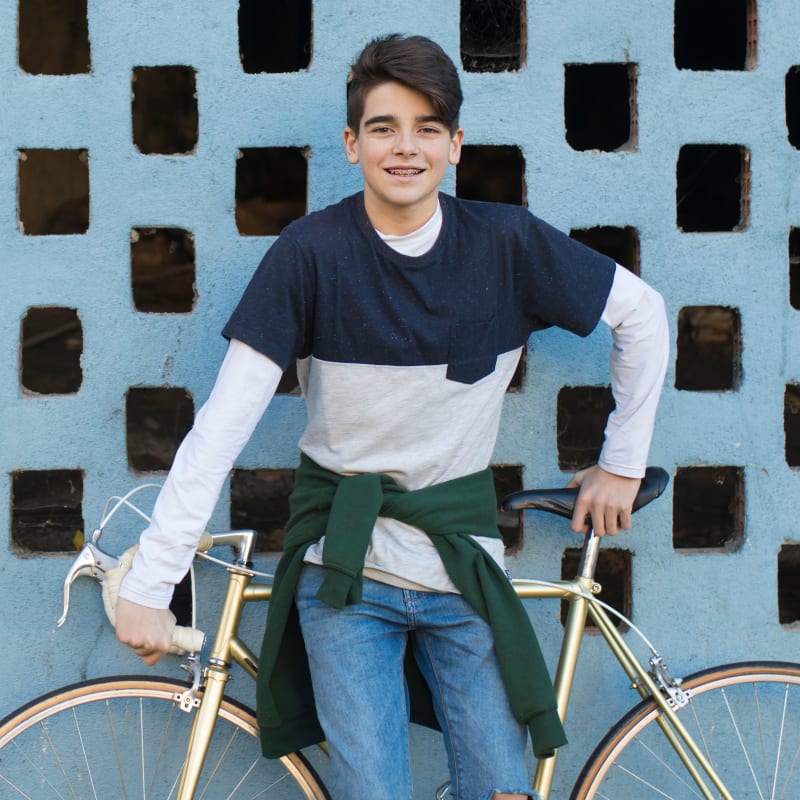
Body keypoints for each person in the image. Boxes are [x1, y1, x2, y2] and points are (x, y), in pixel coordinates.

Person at [115, 33, 669, 800]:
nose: (405, 147)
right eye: (383, 127)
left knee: (503, 790)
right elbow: (223, 426)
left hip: (460, 560)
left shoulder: (505, 245)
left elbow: (643, 315)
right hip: (344, 572)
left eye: (427, 128)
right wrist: (154, 578)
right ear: (351, 143)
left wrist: (622, 460)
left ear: (455, 146)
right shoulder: (309, 254)